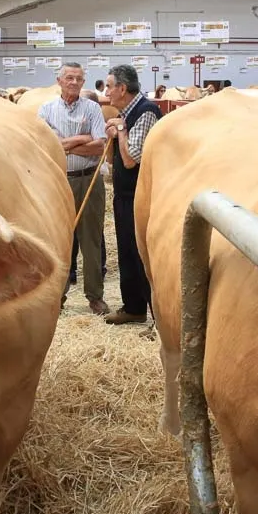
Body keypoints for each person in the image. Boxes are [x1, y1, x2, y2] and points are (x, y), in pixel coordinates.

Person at [38, 62, 110, 315]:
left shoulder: (92, 108)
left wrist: (64, 145)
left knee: (92, 240)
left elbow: (100, 145)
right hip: (59, 180)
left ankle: (95, 296)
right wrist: (83, 139)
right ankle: (58, 295)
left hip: (90, 179)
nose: (74, 82)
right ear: (59, 81)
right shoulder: (46, 110)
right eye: (69, 78)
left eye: (79, 78)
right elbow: (45, 146)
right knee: (59, 238)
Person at [103, 64, 162, 325]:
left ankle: (157, 316)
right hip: (124, 195)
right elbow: (115, 161)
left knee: (141, 256)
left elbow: (130, 160)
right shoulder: (126, 113)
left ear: (122, 88)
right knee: (127, 251)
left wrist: (121, 131)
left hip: (139, 196)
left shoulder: (145, 112)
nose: (106, 92)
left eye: (109, 86)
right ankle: (133, 307)